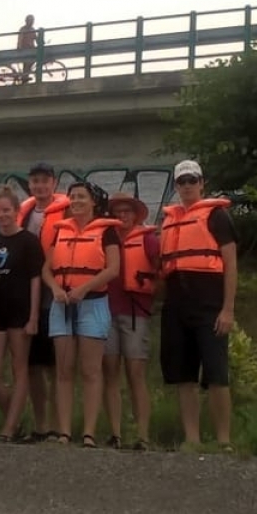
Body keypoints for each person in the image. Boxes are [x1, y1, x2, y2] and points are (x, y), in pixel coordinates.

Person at [158, 159, 238, 451]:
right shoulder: (169, 220)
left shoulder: (217, 217)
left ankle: (223, 441)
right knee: (184, 376)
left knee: (217, 375)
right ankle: (192, 440)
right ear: (176, 186)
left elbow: (230, 264)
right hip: (177, 307)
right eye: (182, 182)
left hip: (209, 306)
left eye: (193, 180)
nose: (188, 186)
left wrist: (228, 308)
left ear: (202, 183)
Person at [43, 183, 120, 446]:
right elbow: (47, 270)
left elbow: (113, 269)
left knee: (91, 371)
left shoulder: (107, 231)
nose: (75, 201)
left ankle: (89, 432)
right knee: (64, 370)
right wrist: (55, 289)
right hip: (62, 304)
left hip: (93, 303)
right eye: (72, 197)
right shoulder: (61, 231)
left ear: (93, 203)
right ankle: (64, 432)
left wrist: (84, 288)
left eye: (81, 197)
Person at [0, 188, 42, 441]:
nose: (2, 215)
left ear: (16, 212)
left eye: (6, 210)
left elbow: (35, 279)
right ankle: (15, 420)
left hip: (20, 310)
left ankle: (8, 430)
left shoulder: (28, 241)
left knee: (19, 369)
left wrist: (34, 316)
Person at [103, 190, 160, 450]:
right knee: (110, 373)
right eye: (117, 212)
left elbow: (161, 273)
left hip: (136, 313)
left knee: (136, 374)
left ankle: (143, 436)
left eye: (127, 211)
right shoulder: (106, 238)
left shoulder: (148, 240)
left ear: (136, 215)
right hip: (106, 312)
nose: (122, 216)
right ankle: (115, 434)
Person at [16, 163, 67, 441]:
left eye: (45, 181)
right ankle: (41, 425)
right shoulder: (24, 213)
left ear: (53, 183)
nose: (40, 186)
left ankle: (62, 427)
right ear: (30, 185)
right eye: (35, 181)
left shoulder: (66, 211)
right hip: (28, 296)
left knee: (55, 366)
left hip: (56, 296)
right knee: (34, 366)